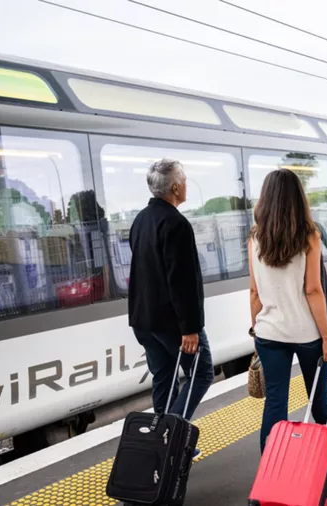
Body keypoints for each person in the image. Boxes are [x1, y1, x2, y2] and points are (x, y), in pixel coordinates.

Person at [248, 168, 327, 453]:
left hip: (269, 333)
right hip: (307, 334)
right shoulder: (309, 235)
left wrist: (255, 331)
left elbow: (254, 291)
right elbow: (313, 290)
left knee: (275, 403)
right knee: (318, 396)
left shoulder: (255, 236)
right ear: (298, 198)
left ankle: (270, 466)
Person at [128, 158, 214, 459]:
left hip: (144, 321)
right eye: (185, 179)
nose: (187, 183)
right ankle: (171, 439)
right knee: (202, 374)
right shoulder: (176, 224)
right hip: (173, 323)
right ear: (175, 187)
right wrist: (189, 328)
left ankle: (159, 442)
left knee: (163, 379)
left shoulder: (140, 220)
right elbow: (182, 281)